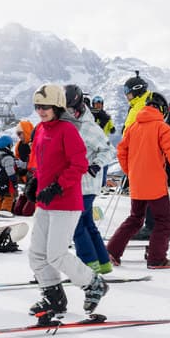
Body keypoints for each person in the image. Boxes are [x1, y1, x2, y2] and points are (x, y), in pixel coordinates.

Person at [21, 83, 110, 318]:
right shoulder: (41, 130)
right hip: (45, 202)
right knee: (37, 254)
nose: (40, 111)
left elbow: (79, 164)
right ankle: (54, 297)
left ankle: (94, 284)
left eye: (45, 106)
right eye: (37, 106)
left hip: (66, 202)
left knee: (56, 254)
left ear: (58, 106)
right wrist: (34, 181)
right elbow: (40, 164)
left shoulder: (67, 130)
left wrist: (57, 186)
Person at [106, 93, 170, 269]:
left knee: (135, 218)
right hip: (155, 183)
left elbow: (121, 151)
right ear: (162, 110)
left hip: (136, 182)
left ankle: (111, 252)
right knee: (165, 222)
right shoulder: (162, 127)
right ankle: (156, 258)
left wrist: (130, 172)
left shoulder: (133, 127)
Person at [65, 84, 115, 275]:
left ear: (78, 107)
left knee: (76, 225)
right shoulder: (70, 124)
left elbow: (109, 150)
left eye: (71, 110)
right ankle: (103, 263)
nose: (68, 113)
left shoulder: (88, 127)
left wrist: (96, 165)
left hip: (86, 184)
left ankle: (88, 265)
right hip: (78, 183)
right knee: (87, 224)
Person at [0, 134, 20, 212]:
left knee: (0, 197)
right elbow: (10, 171)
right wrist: (14, 181)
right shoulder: (8, 158)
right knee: (8, 197)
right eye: (11, 145)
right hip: (8, 182)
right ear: (7, 146)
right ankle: (5, 210)